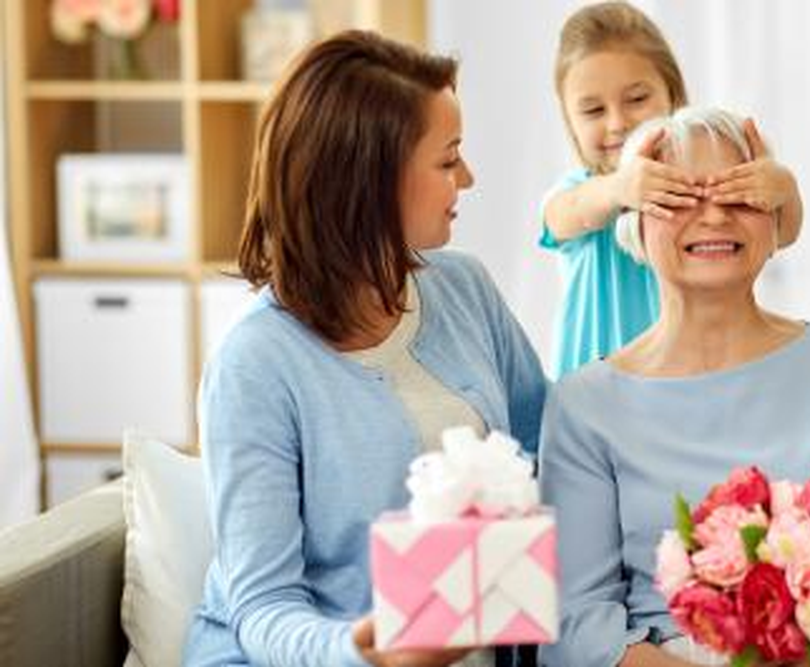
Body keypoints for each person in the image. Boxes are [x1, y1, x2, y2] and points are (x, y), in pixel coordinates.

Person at [538, 108, 810, 667]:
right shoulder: (583, 405)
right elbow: (575, 625)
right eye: (679, 198)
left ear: (775, 220)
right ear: (635, 224)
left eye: (740, 194)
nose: (714, 215)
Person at [183, 31, 546, 667]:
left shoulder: (464, 289)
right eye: (448, 159)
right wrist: (362, 652)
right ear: (370, 180)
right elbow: (261, 607)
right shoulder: (257, 362)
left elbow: (549, 456)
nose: (468, 177)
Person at [540, 1, 804, 379]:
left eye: (636, 99)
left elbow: (785, 233)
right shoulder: (583, 192)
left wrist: (784, 190)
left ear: (673, 95)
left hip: (692, 381)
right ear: (569, 120)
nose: (617, 123)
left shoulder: (703, 185)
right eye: (593, 111)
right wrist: (620, 189)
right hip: (601, 399)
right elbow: (563, 215)